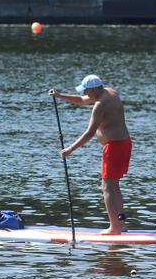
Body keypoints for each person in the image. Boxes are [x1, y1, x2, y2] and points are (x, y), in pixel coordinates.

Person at [51, 75, 132, 235]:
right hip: (125, 143)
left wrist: (70, 149)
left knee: (107, 187)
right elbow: (81, 100)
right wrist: (60, 96)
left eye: (87, 90)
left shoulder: (100, 105)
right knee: (114, 186)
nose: (85, 93)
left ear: (94, 89)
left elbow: (89, 133)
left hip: (114, 147)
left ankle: (114, 227)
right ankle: (120, 224)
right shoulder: (111, 93)